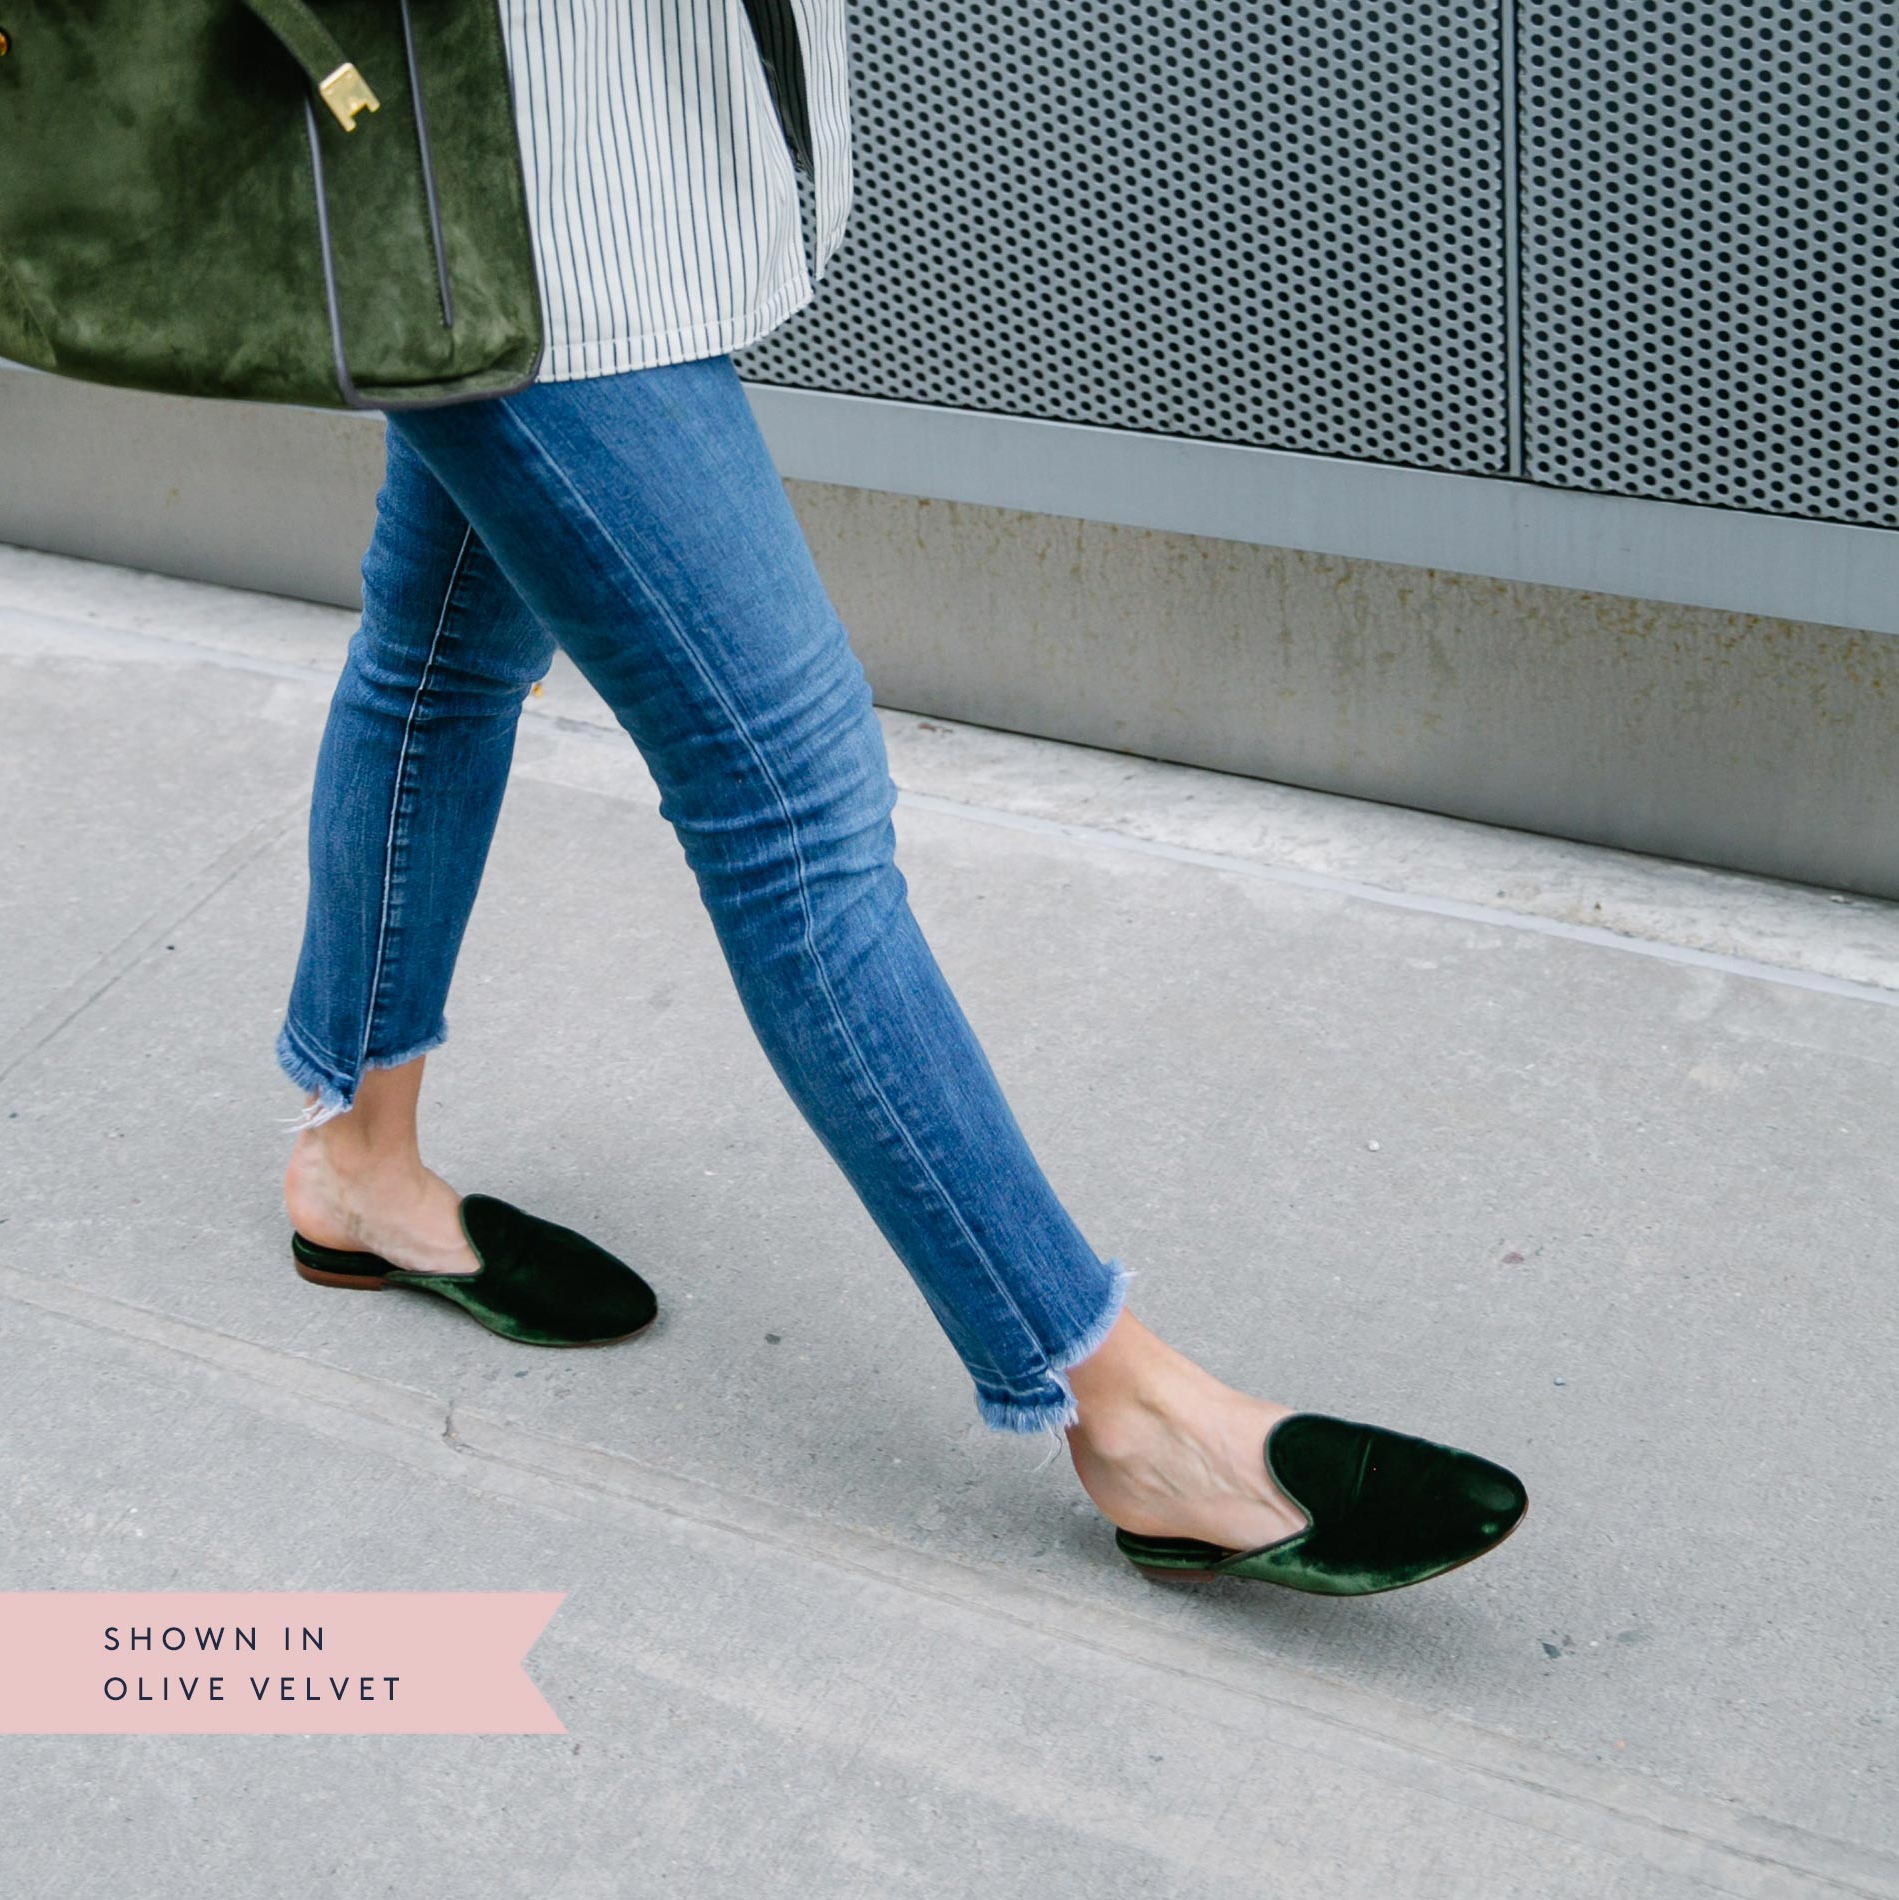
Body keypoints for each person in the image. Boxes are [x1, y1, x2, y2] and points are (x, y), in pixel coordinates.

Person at [279, 0, 1525, 1596]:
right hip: (506, 205)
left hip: (558, 175)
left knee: (441, 643)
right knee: (793, 820)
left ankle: (356, 1167)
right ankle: (1127, 1411)